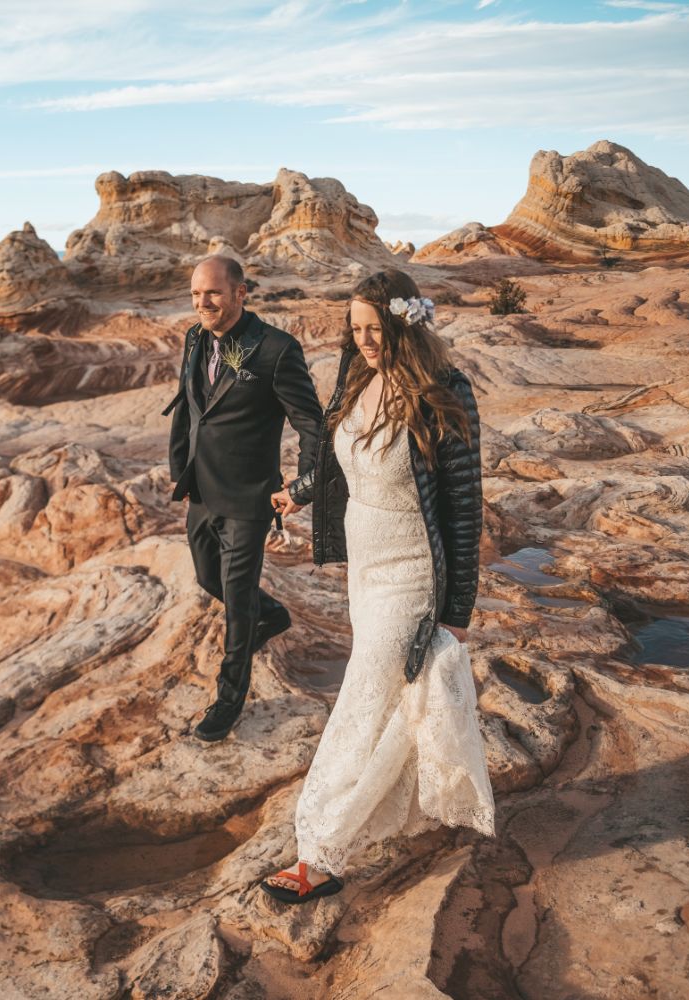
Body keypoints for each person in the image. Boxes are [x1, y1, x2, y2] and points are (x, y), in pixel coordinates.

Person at [259, 269, 495, 903]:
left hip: (414, 571)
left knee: (363, 694)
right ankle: (409, 807)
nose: (364, 340)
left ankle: (321, 849)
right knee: (390, 693)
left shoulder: (444, 392)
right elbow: (342, 456)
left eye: (375, 328)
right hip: (364, 567)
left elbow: (464, 509)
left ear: (403, 324)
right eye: (355, 329)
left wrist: (458, 611)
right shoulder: (359, 380)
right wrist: (298, 493)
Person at [165, 255, 324, 742]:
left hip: (250, 498)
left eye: (212, 293)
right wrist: (180, 466)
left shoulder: (276, 349)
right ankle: (271, 614)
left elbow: (312, 425)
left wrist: (303, 487)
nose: (202, 302)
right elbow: (191, 405)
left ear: (241, 293)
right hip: (202, 490)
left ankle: (228, 700)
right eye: (195, 294)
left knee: (236, 604)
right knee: (207, 576)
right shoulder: (195, 337)